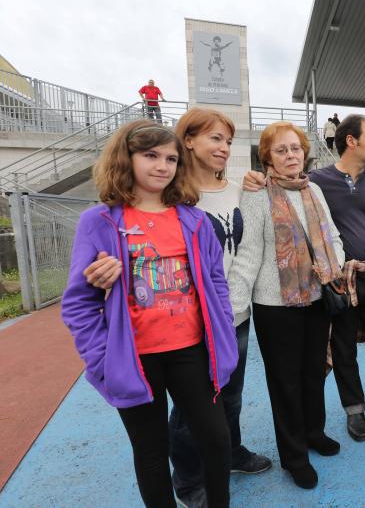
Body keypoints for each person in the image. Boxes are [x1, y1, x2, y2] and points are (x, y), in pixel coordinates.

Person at [81, 109, 272, 507]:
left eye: (170, 159)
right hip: (136, 356)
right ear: (126, 159)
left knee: (217, 438)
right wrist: (101, 359)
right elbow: (78, 305)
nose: (162, 166)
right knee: (152, 453)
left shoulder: (192, 219)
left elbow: (215, 283)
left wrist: (219, 341)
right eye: (151, 156)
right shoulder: (99, 221)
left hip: (189, 350)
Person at [242, 115, 365, 441]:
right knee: (343, 349)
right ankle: (355, 411)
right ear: (352, 141)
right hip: (338, 281)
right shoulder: (317, 181)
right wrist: (252, 178)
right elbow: (280, 186)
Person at [227, 122, 343, 490]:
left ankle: (314, 432)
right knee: (285, 382)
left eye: (295, 148)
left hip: (317, 295)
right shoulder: (258, 195)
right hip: (275, 304)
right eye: (281, 150)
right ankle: (294, 456)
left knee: (313, 373)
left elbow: (332, 235)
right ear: (268, 157)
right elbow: (247, 255)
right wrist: (234, 309)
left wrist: (333, 267)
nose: (291, 155)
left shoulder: (314, 189)